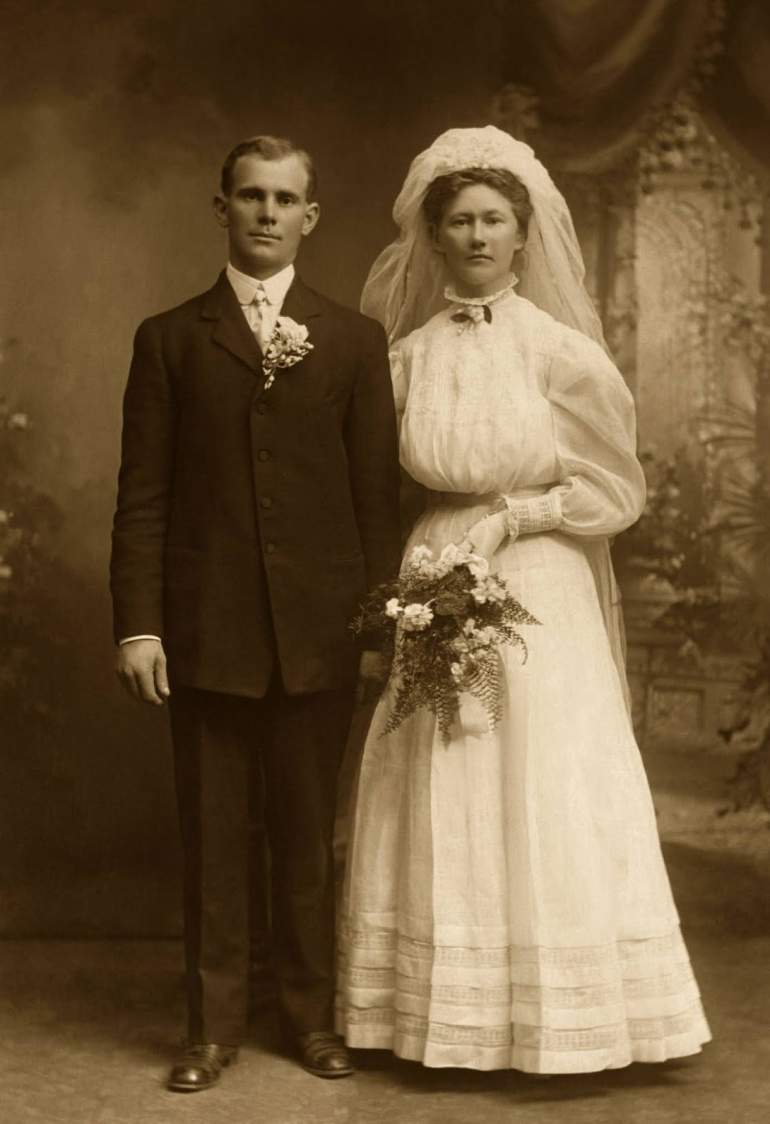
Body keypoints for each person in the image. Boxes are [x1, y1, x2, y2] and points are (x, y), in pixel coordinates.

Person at [336, 126, 711, 1073]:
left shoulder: (560, 351)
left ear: (523, 233)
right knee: (441, 765)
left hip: (541, 573)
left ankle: (566, 1014)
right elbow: (374, 481)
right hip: (435, 560)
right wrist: (424, 571)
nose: (476, 236)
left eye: (494, 219)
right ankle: (441, 1014)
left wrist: (516, 516)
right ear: (433, 236)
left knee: (546, 769)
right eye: (459, 220)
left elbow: (614, 489)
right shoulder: (406, 356)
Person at [110, 135, 401, 1091]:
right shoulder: (169, 339)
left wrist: (377, 628)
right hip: (206, 633)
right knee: (214, 839)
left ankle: (310, 1020)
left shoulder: (353, 341)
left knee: (308, 838)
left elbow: (375, 501)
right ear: (222, 209)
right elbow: (143, 496)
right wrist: (140, 625)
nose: (267, 213)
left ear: (310, 217)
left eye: (284, 199)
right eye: (250, 196)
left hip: (319, 634)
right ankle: (211, 1029)